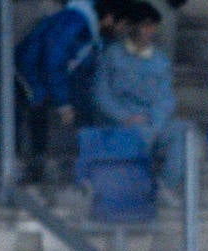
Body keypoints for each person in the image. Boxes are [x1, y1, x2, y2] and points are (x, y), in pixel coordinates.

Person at [16, 0, 127, 184]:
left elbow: (82, 74)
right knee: (36, 105)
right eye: (121, 23)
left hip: (46, 73)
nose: (122, 29)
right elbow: (53, 61)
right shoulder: (75, 23)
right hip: (28, 69)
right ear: (108, 18)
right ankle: (30, 163)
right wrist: (63, 102)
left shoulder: (95, 37)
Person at [93, 1, 189, 196]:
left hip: (151, 121)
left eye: (153, 25)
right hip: (121, 122)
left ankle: (164, 187)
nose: (150, 30)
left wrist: (154, 121)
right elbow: (101, 95)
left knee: (183, 133)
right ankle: (133, 190)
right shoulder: (112, 55)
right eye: (145, 25)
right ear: (133, 26)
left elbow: (166, 98)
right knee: (140, 134)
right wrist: (124, 117)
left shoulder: (160, 61)